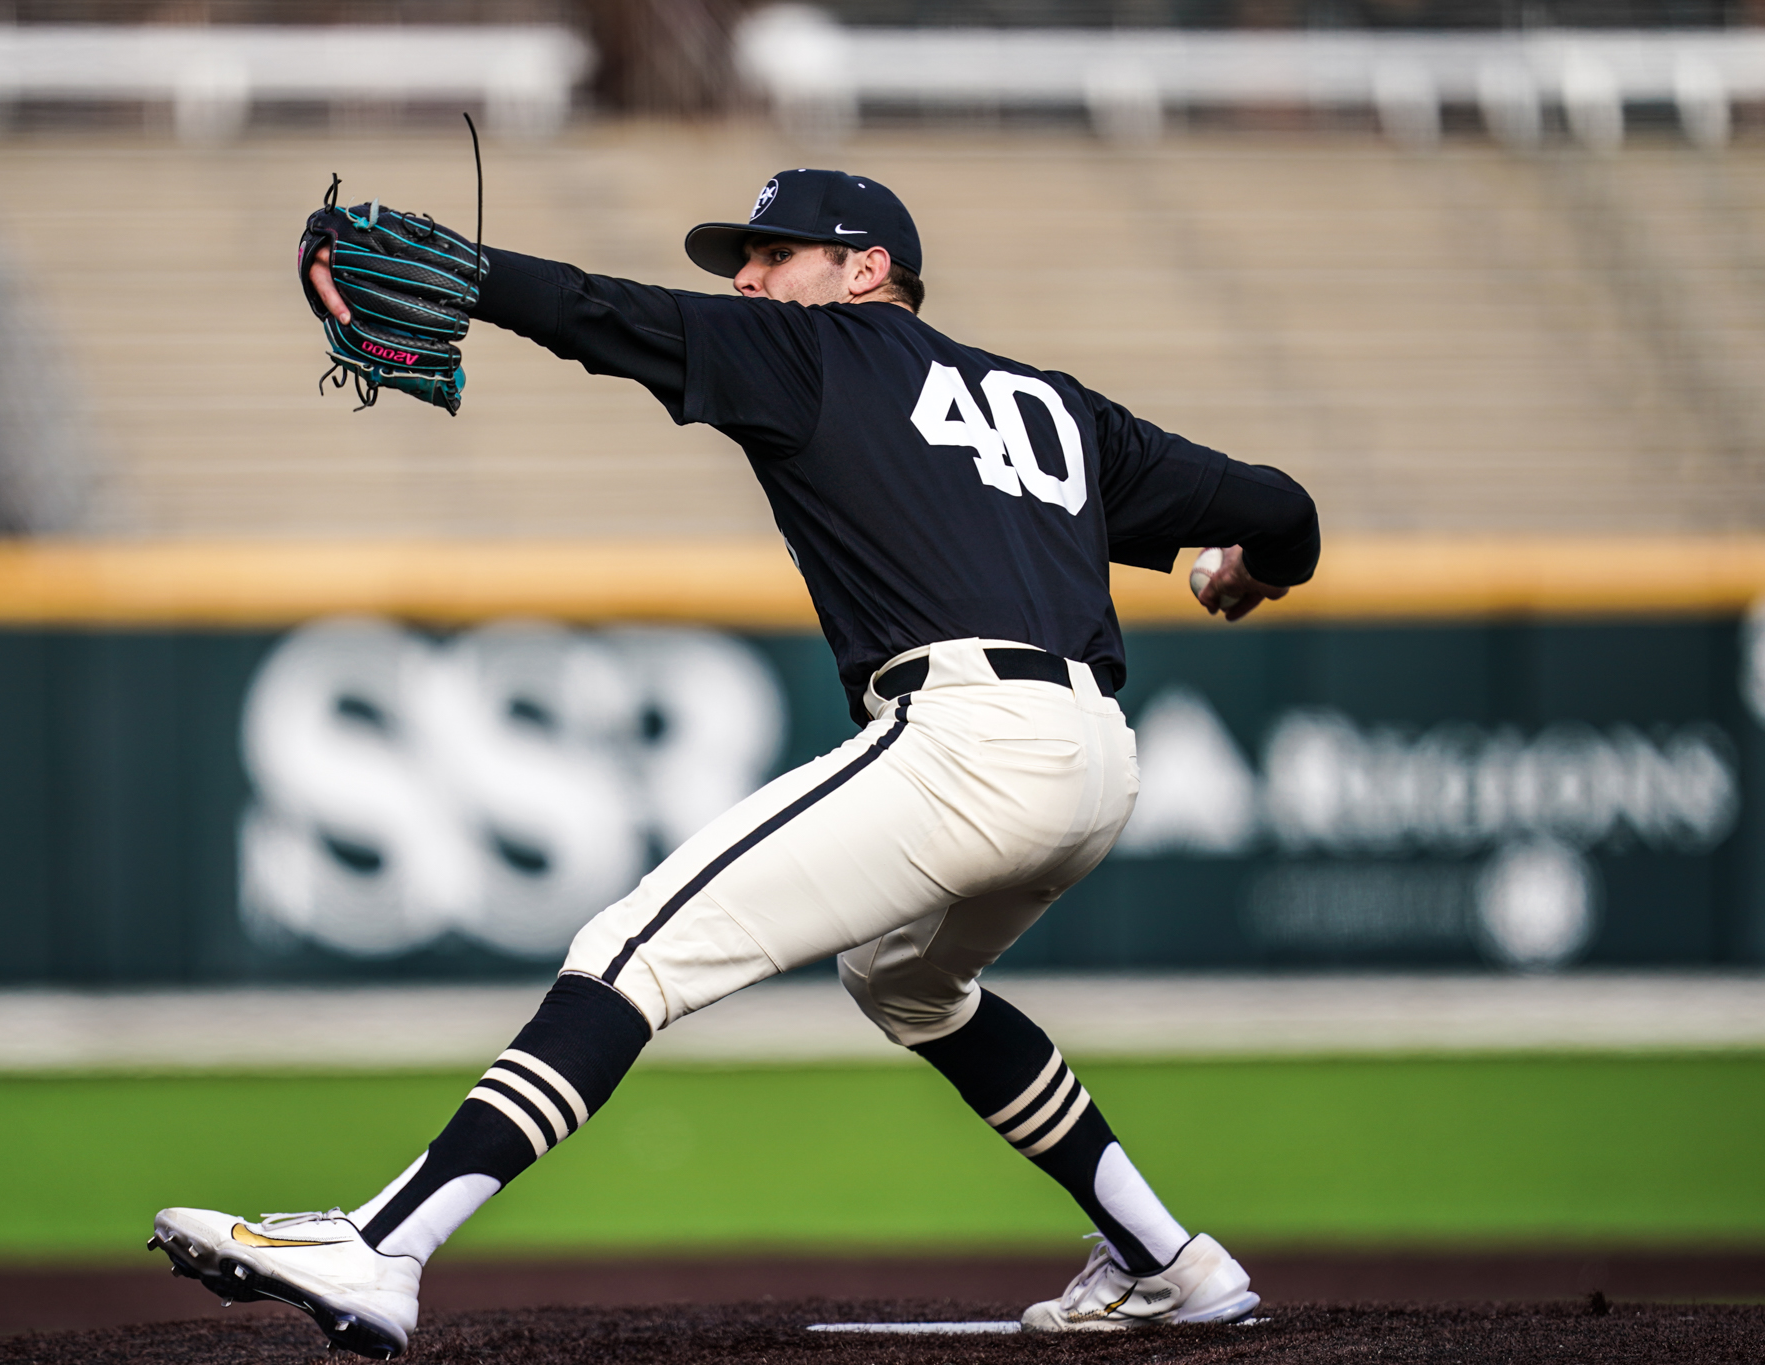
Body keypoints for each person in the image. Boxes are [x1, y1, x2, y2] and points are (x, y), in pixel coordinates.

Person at [152, 168, 1319, 1357]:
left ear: (865, 271)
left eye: (774, 255)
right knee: (904, 982)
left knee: (625, 949)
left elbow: (602, 314)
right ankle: (1162, 1256)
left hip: (968, 739)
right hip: (1095, 762)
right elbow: (1284, 509)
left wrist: (468, 267)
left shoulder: (815, 354)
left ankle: (382, 1246)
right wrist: (1242, 575)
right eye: (742, 264)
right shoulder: (1056, 409)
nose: (749, 281)